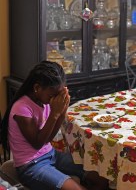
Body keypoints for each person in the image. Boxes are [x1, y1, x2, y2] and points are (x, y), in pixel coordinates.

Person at [1, 61, 109, 190]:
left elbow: (48, 138)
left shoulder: (44, 101)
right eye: (52, 95)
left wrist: (62, 111)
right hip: (31, 165)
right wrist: (55, 113)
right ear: (37, 88)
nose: (55, 99)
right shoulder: (21, 108)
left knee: (101, 178)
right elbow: (37, 143)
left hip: (51, 155)